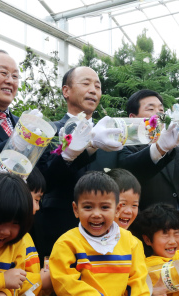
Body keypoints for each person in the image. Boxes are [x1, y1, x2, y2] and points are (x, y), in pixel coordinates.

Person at [49, 171, 156, 296]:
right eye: (88, 207)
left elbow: (138, 283)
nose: (96, 214)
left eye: (105, 207)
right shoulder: (67, 243)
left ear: (116, 210)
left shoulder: (131, 243)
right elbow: (64, 282)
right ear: (75, 209)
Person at [35, 66, 122, 259]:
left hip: (106, 238)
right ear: (66, 91)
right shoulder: (49, 131)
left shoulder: (109, 136)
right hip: (59, 232)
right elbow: (42, 181)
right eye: (86, 83)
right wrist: (70, 154)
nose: (93, 90)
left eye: (98, 86)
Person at [107, 168, 149, 296]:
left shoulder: (134, 244)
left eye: (135, 205)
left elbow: (139, 283)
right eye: (122, 204)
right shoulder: (82, 241)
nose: (128, 211)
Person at [11, 167, 51, 296]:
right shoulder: (8, 239)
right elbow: (3, 283)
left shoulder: (25, 236)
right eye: (35, 199)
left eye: (39, 200)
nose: (37, 208)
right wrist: (40, 280)